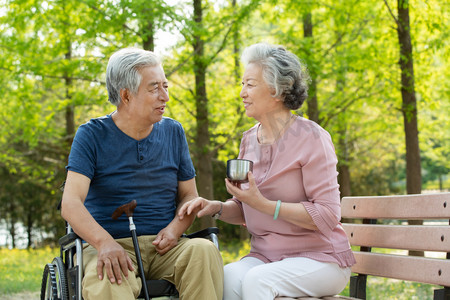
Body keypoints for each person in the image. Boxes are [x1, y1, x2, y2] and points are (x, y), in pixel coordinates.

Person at [178, 43, 356, 300]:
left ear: (276, 90)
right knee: (226, 277)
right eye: (242, 84)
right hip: (266, 257)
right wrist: (215, 207)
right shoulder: (248, 140)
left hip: (321, 259)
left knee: (258, 281)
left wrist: (265, 204)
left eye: (250, 84)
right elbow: (245, 208)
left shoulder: (313, 137)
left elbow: (329, 215)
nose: (242, 93)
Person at [60, 47, 223, 300]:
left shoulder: (173, 132)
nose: (165, 96)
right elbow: (70, 204)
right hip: (112, 245)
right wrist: (104, 243)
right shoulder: (91, 135)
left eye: (165, 86)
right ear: (126, 95)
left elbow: (190, 196)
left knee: (203, 251)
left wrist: (175, 230)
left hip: (167, 246)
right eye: (154, 88)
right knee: (106, 278)